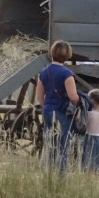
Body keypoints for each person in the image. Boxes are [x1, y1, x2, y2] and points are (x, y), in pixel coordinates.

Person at [34, 40, 80, 174]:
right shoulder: (67, 74)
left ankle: (48, 173)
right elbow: (73, 97)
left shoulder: (43, 72)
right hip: (61, 112)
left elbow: (39, 97)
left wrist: (47, 106)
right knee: (63, 146)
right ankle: (61, 177)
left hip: (47, 110)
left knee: (50, 143)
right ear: (67, 55)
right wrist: (81, 100)